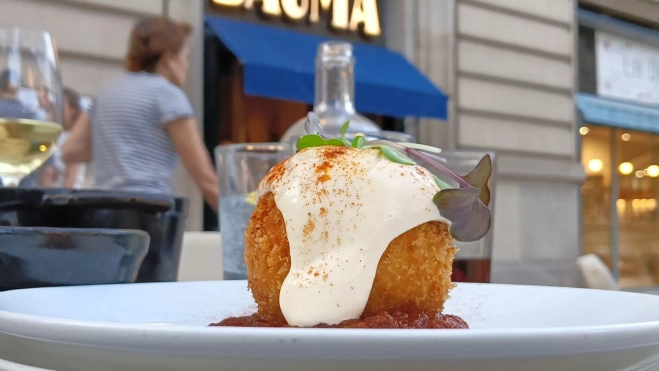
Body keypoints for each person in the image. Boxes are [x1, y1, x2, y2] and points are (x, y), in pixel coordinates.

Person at [62, 17, 219, 210]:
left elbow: (69, 150)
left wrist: (117, 147)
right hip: (148, 212)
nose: (186, 65)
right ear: (170, 59)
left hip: (101, 212)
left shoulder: (105, 93)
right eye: (185, 57)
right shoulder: (168, 95)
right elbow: (206, 181)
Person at [41, 87, 86, 188]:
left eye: (61, 107)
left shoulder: (74, 138)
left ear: (73, 110)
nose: (57, 110)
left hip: (64, 197)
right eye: (54, 106)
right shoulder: (54, 134)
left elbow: (70, 180)